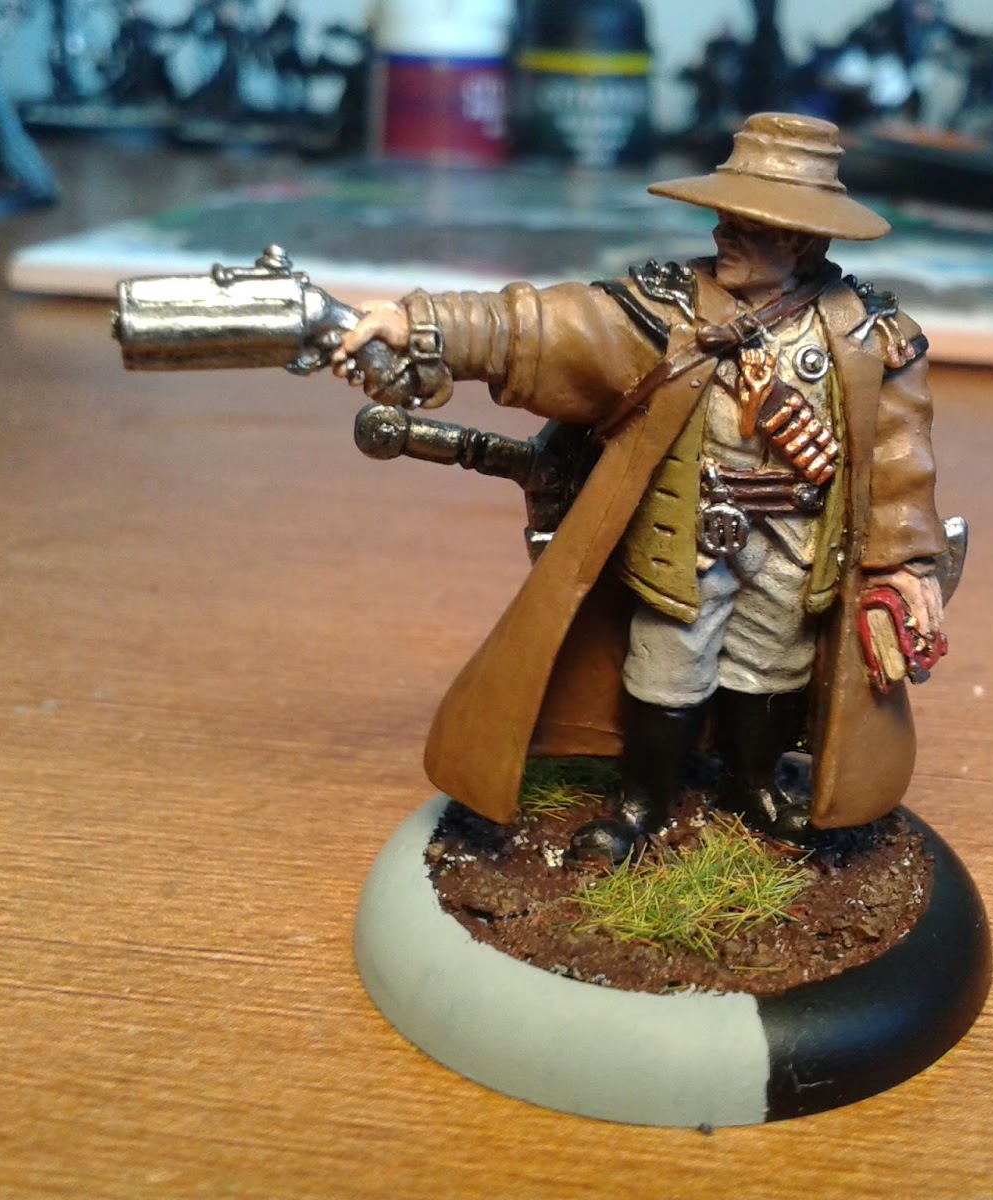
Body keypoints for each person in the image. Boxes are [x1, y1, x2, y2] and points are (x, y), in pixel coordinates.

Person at [334, 113, 952, 866]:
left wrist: (904, 562)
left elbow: (898, 458)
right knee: (667, 665)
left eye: (748, 226)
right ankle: (644, 802)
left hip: (799, 541)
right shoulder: (670, 308)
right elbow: (547, 327)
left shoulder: (870, 335)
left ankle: (753, 785)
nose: (723, 233)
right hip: (687, 530)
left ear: (800, 240)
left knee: (771, 666)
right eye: (725, 218)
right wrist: (421, 324)